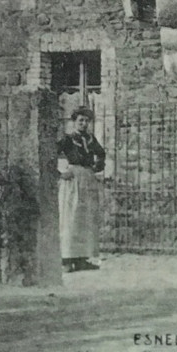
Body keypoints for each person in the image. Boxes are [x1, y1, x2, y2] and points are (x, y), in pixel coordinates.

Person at [57, 106, 106, 271]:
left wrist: (97, 167)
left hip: (88, 179)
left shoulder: (91, 139)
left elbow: (101, 154)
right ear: (74, 122)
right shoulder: (68, 140)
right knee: (71, 219)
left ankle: (82, 259)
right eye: (81, 120)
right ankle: (66, 260)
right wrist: (61, 173)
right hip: (73, 180)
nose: (84, 124)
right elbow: (50, 155)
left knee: (85, 219)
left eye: (86, 121)